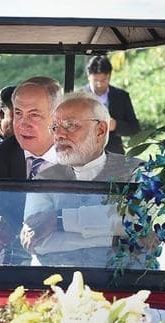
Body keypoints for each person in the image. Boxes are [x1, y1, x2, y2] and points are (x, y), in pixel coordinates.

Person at [21, 92, 142, 266]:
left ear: (100, 130)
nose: (59, 135)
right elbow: (37, 242)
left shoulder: (136, 171)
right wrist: (115, 239)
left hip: (128, 280)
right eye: (54, 127)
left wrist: (58, 220)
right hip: (57, 280)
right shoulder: (43, 180)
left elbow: (139, 222)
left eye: (70, 125)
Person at [0, 77, 62, 262]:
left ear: (57, 118)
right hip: (13, 260)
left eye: (34, 115)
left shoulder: (76, 156)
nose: (23, 123)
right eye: (18, 113)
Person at [82, 55, 140, 155]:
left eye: (103, 80)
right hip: (85, 154)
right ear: (88, 76)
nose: (99, 84)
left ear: (110, 76)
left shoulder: (121, 96)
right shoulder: (78, 98)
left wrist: (116, 125)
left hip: (114, 154)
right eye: (95, 80)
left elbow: (135, 128)